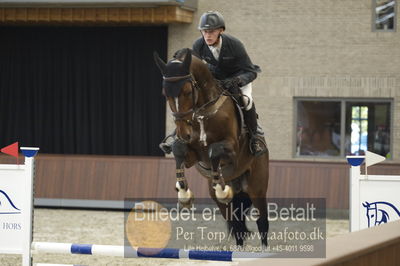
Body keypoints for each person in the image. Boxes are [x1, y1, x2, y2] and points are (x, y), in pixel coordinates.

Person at [160, 11, 267, 156]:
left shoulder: (234, 45)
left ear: (220, 31)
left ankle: (254, 138)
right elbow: (197, 68)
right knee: (193, 100)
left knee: (246, 101)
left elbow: (251, 71)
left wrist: (237, 80)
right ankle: (177, 135)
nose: (207, 36)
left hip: (237, 79)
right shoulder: (199, 45)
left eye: (211, 32)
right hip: (215, 81)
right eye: (204, 32)